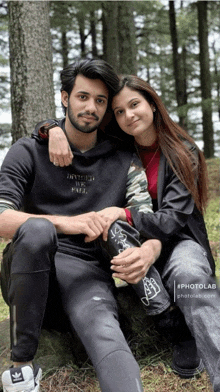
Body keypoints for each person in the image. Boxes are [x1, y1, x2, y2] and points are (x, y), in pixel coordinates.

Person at [41, 73, 220, 392]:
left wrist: (123, 214)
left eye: (135, 105)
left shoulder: (183, 151)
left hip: (179, 241)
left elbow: (172, 220)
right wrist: (50, 127)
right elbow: (77, 121)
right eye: (120, 111)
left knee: (190, 276)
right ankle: (175, 328)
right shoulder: (117, 148)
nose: (128, 116)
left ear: (152, 103)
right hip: (125, 240)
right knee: (116, 240)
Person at [0, 59, 168, 392]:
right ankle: (20, 370)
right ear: (65, 98)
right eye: (82, 97)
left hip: (86, 277)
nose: (91, 107)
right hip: (30, 274)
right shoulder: (28, 151)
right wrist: (71, 223)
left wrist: (149, 250)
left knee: (107, 336)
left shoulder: (122, 159)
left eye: (100, 101)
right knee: (37, 230)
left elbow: (147, 220)